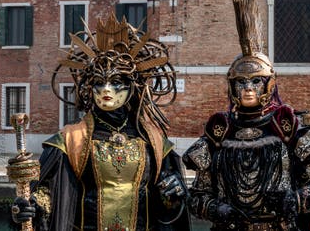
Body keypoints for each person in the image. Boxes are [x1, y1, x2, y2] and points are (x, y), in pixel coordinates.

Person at [11, 13, 191, 231]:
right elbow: (47, 193)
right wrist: (32, 207)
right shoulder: (71, 140)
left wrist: (174, 195)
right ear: (90, 87)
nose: (106, 90)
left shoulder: (153, 141)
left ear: (132, 86)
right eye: (99, 82)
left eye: (115, 82)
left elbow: (166, 204)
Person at [182, 0, 310, 231]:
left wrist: (294, 200)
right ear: (232, 85)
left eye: (256, 82)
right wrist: (215, 208)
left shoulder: (289, 127)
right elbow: (197, 196)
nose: (247, 88)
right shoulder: (220, 131)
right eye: (241, 82)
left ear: (268, 84)